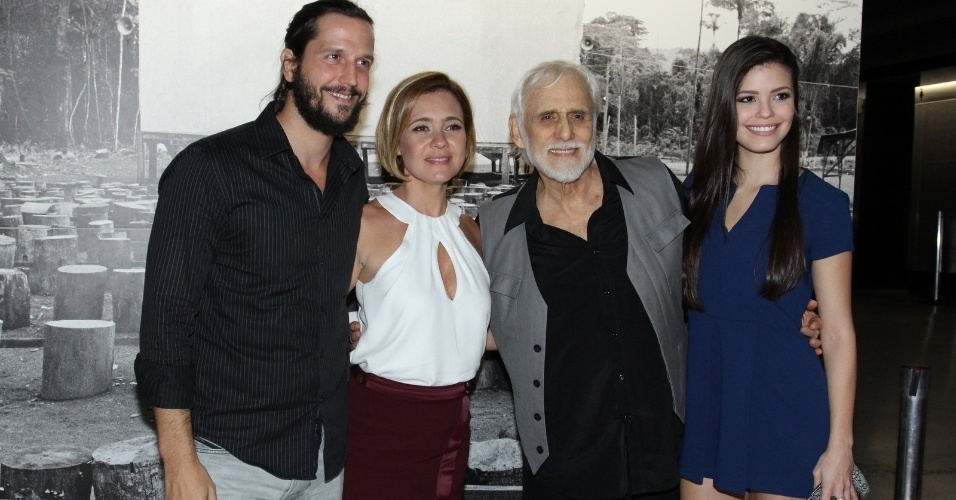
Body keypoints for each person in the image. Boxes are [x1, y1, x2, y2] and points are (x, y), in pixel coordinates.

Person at [134, 1, 374, 498]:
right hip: (231, 463)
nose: (350, 76)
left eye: (364, 61)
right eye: (333, 56)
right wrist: (178, 460)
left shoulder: (352, 175)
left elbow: (316, 288)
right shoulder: (208, 169)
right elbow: (166, 327)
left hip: (326, 457)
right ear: (290, 65)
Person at [479, 60, 688, 500]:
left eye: (578, 115)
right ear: (519, 132)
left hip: (669, 458)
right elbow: (459, 318)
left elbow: (721, 268)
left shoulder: (657, 185)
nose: (566, 132)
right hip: (564, 471)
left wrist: (798, 310)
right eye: (547, 117)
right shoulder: (492, 226)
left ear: (597, 124)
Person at [679, 36, 858, 500]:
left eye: (780, 96)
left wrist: (841, 444)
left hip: (787, 412)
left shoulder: (823, 205)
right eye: (747, 98)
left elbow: (837, 330)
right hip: (708, 408)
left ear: (796, 104)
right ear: (725, 105)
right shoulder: (694, 195)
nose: (766, 113)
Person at [344, 71, 490, 500]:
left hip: (453, 424)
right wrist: (346, 323)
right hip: (379, 426)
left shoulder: (473, 232)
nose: (440, 141)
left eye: (453, 126)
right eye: (421, 127)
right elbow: (305, 313)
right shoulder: (365, 223)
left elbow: (477, 335)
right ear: (395, 144)